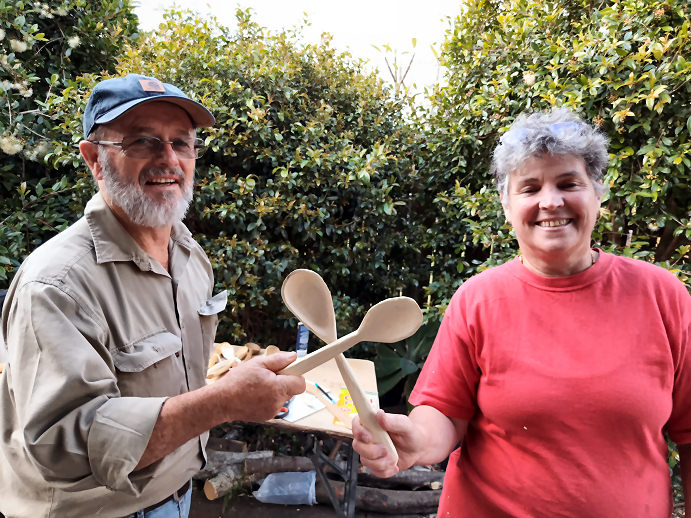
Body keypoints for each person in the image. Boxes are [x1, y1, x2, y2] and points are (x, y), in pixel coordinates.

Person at [351, 107, 691, 516]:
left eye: (569, 183)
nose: (550, 201)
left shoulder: (663, 297)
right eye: (529, 188)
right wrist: (415, 440)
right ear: (507, 205)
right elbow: (444, 412)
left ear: (598, 193)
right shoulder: (478, 300)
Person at [0, 74, 305, 518]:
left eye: (181, 143)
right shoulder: (56, 285)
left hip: (178, 498)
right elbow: (61, 446)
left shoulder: (189, 256)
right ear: (94, 159)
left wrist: (231, 389)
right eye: (142, 142)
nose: (169, 160)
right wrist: (222, 403)